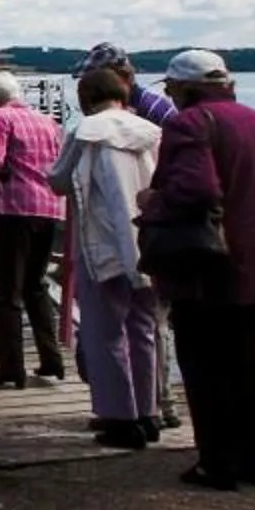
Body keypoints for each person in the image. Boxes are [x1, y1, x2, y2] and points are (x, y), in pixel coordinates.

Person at [143, 48, 255, 490]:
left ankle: (217, 462)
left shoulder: (189, 123)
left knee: (204, 366)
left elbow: (196, 188)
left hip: (208, 266)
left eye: (171, 87)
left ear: (188, 87)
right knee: (249, 365)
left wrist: (155, 202)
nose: (169, 95)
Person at [58, 66, 166, 447]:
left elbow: (58, 178)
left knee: (105, 333)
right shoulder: (151, 133)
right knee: (144, 329)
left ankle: (119, 416)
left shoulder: (85, 132)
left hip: (100, 242)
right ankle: (149, 412)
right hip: (148, 240)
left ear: (86, 98)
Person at [0, 69, 67, 388]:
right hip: (51, 208)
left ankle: (11, 366)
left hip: (14, 210)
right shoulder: (48, 122)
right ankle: (52, 359)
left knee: (5, 292)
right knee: (35, 285)